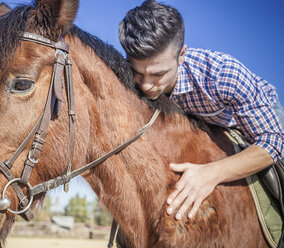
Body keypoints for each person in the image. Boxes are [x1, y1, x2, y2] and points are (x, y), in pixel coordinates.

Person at [119, 0, 284, 221]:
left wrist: (210, 174)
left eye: (158, 74)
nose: (146, 85)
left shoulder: (224, 74)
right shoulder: (131, 77)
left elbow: (273, 142)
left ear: (182, 54)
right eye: (138, 72)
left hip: (250, 121)